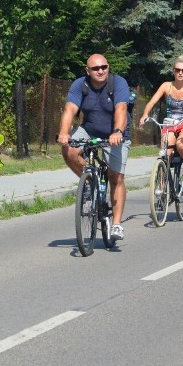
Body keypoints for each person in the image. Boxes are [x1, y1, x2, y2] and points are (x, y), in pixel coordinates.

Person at [58, 54, 132, 241]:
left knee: (116, 177)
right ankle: (90, 183)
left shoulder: (118, 83)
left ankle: (116, 224)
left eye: (104, 67)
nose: (101, 71)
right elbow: (69, 110)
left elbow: (121, 109)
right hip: (89, 130)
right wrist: (64, 133)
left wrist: (117, 131)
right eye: (96, 68)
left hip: (116, 132)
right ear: (87, 71)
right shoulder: (80, 85)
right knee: (69, 149)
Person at [138, 55, 183, 186]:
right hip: (170, 123)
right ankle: (161, 187)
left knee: (180, 145)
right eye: (178, 70)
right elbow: (151, 102)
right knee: (165, 153)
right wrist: (145, 114)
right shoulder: (166, 86)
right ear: (173, 70)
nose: (180, 73)